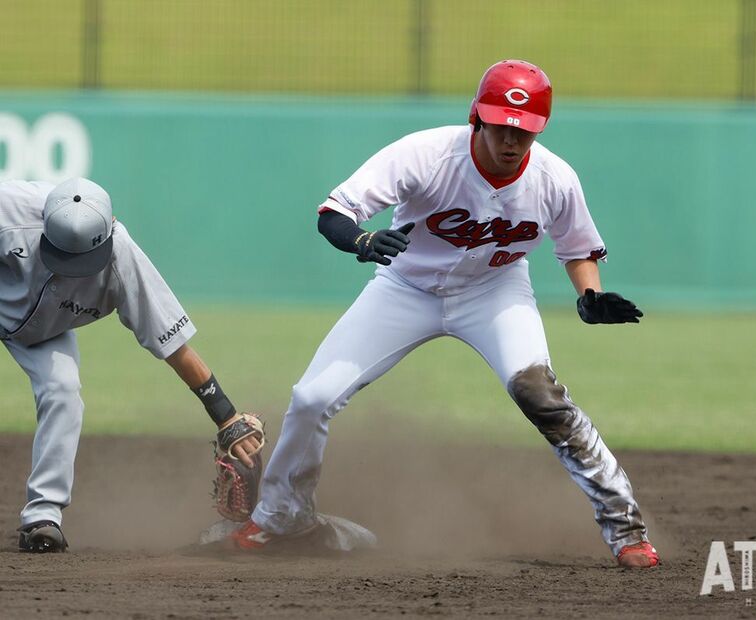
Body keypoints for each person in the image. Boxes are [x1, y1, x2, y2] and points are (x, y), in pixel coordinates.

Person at [232, 59, 658, 567]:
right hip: (405, 288)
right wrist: (363, 241)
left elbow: (576, 247)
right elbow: (334, 213)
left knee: (540, 395)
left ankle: (626, 531)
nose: (511, 141)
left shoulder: (553, 178)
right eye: (501, 125)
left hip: (495, 291)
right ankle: (282, 518)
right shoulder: (427, 154)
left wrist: (589, 296)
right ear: (477, 116)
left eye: (524, 131)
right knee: (311, 397)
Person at [1, 177, 263, 553]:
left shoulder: (123, 258)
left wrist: (224, 414)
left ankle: (42, 518)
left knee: (64, 391)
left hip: (44, 332)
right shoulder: (8, 208)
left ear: (110, 230)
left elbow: (175, 347)